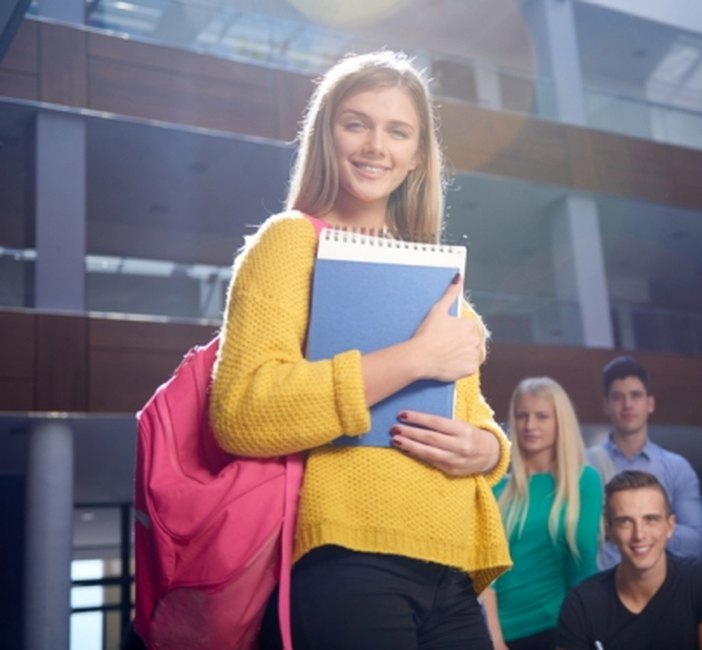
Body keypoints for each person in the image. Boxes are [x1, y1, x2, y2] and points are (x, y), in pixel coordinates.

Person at [209, 51, 511, 649]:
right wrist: (417, 358)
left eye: (397, 131)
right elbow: (241, 412)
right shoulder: (290, 243)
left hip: (452, 570)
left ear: (418, 154)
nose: (376, 145)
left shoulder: (435, 275)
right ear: (327, 133)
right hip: (348, 558)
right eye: (357, 123)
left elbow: (472, 420)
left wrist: (486, 450)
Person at [481, 377, 605, 650]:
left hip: (564, 627)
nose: (530, 425)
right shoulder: (495, 489)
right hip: (507, 632)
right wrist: (495, 640)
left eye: (542, 416)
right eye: (522, 415)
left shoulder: (584, 481)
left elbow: (583, 564)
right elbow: (487, 574)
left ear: (560, 421)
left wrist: (584, 630)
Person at [556, 470, 702, 650]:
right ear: (609, 531)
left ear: (670, 526)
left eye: (651, 519)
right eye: (625, 522)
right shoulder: (582, 602)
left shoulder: (699, 580)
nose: (639, 535)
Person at [586, 355, 702, 568]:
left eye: (635, 395)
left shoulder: (677, 467)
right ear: (606, 405)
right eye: (618, 397)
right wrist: (658, 524)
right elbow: (570, 535)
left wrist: (623, 525)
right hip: (599, 589)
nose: (628, 405)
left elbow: (695, 541)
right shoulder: (584, 465)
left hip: (663, 589)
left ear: (650, 403)